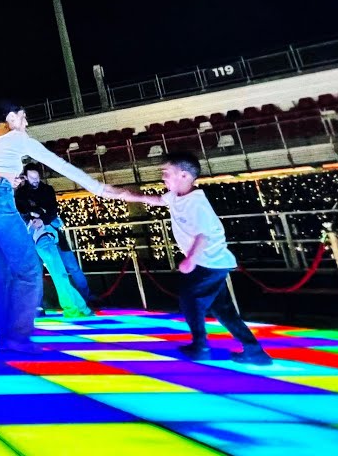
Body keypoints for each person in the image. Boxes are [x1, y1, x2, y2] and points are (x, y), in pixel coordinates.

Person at [0, 100, 114, 353]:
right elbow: (59, 164)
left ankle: (6, 335)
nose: (27, 123)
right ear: (11, 117)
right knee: (29, 267)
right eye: (24, 116)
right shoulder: (16, 137)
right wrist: (98, 188)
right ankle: (18, 337)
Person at [106, 152, 273, 365]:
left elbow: (203, 235)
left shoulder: (196, 203)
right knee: (222, 309)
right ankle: (253, 351)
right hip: (211, 262)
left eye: (167, 173)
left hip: (208, 262)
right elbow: (157, 200)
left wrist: (191, 259)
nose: (163, 177)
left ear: (184, 175)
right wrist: (128, 195)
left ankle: (201, 346)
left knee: (190, 301)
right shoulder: (176, 196)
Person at [14, 162, 94, 317]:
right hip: (40, 237)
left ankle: (79, 306)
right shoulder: (21, 193)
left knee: (62, 272)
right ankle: (76, 307)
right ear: (26, 177)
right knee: (58, 273)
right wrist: (38, 213)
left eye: (36, 177)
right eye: (32, 178)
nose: (35, 180)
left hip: (47, 234)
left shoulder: (44, 190)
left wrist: (39, 215)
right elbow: (26, 211)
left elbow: (50, 211)